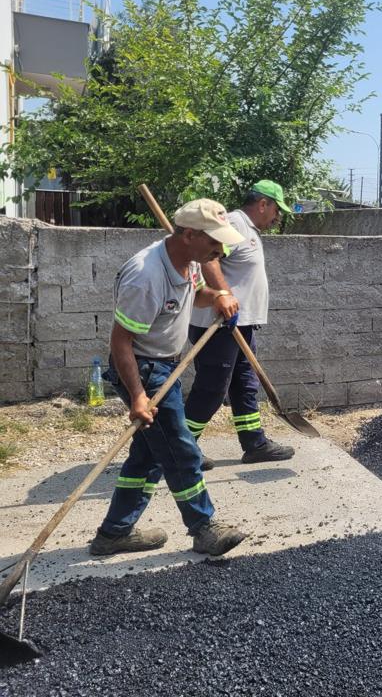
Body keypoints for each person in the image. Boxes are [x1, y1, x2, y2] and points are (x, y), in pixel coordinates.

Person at [90, 199, 249, 558]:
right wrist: (137, 397)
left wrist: (219, 297)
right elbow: (121, 342)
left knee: (148, 456)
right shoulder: (145, 276)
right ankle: (203, 527)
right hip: (143, 368)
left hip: (165, 365)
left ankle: (114, 533)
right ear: (189, 234)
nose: (220, 250)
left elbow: (195, 296)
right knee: (180, 450)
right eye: (214, 241)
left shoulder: (189, 262)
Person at [184, 180, 295, 467]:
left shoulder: (248, 229)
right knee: (212, 387)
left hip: (239, 324)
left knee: (245, 384)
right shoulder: (234, 224)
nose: (276, 217)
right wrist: (224, 295)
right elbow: (209, 260)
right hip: (218, 324)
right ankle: (182, 447)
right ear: (263, 204)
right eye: (275, 210)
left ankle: (254, 443)